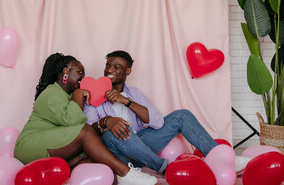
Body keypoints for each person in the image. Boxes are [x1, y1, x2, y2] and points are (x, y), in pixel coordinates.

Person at [14, 52, 158, 185]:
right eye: (80, 72)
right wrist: (78, 94)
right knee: (86, 132)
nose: (83, 78)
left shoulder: (67, 95)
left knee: (97, 151)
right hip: (30, 145)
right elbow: (74, 123)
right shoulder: (51, 93)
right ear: (66, 71)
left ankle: (67, 178)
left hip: (50, 143)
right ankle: (125, 173)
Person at [84, 50, 219, 174]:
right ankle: (164, 168)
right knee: (118, 129)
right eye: (108, 66)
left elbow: (158, 122)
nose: (110, 70)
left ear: (128, 71)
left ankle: (217, 156)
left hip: (142, 145)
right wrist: (107, 122)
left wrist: (127, 101)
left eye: (116, 67)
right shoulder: (94, 95)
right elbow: (88, 131)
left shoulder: (134, 93)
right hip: (117, 154)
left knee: (182, 115)